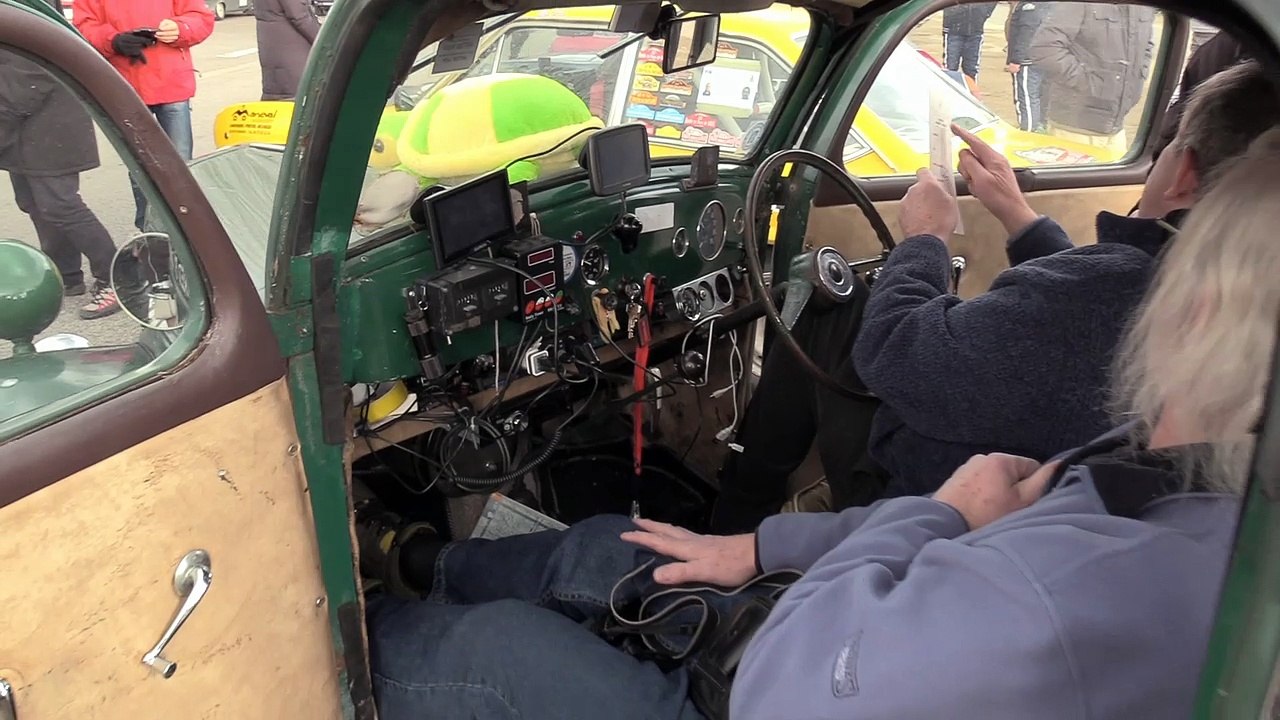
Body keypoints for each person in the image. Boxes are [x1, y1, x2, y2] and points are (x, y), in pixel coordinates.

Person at [360, 125, 1280, 719]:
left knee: (490, 656)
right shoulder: (1173, 484)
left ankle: (358, 646)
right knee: (605, 549)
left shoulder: (1099, 588)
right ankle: (416, 560)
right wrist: (758, 552)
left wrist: (943, 517)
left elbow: (791, 692)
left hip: (781, 681)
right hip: (829, 627)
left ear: (1195, 306)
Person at [851, 60, 1280, 497]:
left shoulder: (1111, 288)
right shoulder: (1229, 284)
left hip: (941, 511)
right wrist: (1015, 213)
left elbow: (897, 353)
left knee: (834, 321)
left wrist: (925, 238)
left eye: (1168, 148)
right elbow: (1082, 313)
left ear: (1184, 174)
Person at [0, 34, 120, 318]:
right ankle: (66, 274)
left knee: (60, 205)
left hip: (46, 127)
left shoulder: (19, 12)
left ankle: (117, 277)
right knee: (35, 204)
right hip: (22, 131)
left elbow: (26, 83)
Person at [72, 0, 214, 229]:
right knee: (142, 169)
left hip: (171, 85)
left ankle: (190, 231)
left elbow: (201, 18)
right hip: (126, 87)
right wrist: (114, 41)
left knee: (180, 165)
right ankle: (149, 230)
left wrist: (181, 28)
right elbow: (84, 27)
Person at [1029, 2, 1155, 154]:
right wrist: (1088, 83)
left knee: (1117, 178)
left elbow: (1146, 47)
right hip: (1075, 127)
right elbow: (1045, 48)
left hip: (1116, 128)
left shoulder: (1143, 7)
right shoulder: (1080, 4)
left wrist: (1138, 78)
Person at [254, 0, 321, 101]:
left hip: (273, 48)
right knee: (295, 100)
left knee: (277, 97)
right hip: (293, 53)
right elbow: (299, 17)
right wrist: (324, 40)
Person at [1005, 0, 1049, 132]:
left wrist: (1016, 60)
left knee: (1026, 97)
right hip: (1046, 57)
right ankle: (1040, 127)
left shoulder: (1029, 7)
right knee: (1041, 95)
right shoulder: (1053, 5)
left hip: (1028, 60)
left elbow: (1026, 34)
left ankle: (1028, 130)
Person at [941, 2, 996, 86]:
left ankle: (971, 95)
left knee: (971, 69)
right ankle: (948, 95)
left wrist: (984, 11)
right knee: (950, 68)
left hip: (975, 29)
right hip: (953, 29)